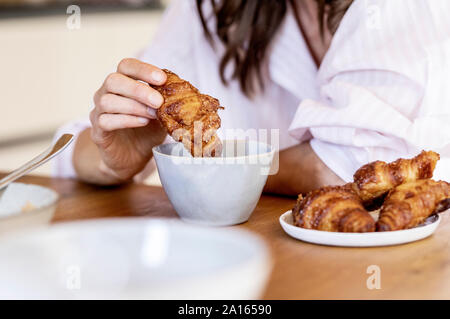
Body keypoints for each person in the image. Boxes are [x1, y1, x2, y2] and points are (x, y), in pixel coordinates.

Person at [54, 0, 450, 196]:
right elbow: (70, 149)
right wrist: (114, 160)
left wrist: (219, 162)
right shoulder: (208, 10)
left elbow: (354, 168)